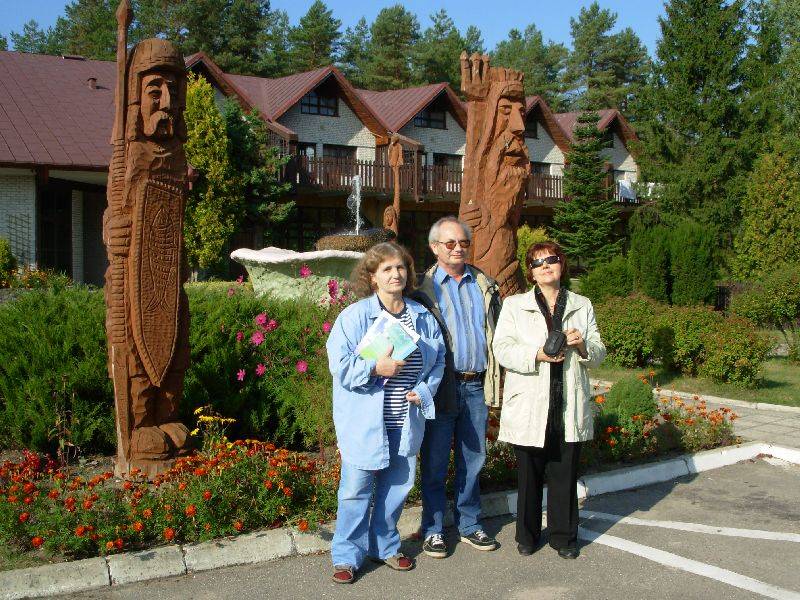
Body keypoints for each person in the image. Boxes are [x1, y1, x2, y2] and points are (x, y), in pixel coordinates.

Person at [326, 242, 446, 584]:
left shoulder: (422, 316)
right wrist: (376, 368)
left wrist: (425, 391)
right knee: (356, 490)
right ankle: (347, 556)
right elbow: (341, 367)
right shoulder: (354, 317)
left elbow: (438, 360)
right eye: (387, 269)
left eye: (401, 267)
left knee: (397, 487)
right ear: (372, 277)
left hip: (406, 418)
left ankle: (385, 546)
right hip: (365, 422)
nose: (396, 274)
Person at [492, 242, 606, 558]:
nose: (545, 266)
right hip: (530, 403)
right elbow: (502, 349)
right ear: (530, 272)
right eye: (537, 262)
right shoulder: (515, 305)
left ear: (561, 264)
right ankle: (527, 536)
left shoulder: (582, 304)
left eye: (551, 260)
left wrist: (583, 346)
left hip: (567, 403)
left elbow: (599, 353)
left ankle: (564, 538)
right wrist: (537, 354)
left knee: (564, 476)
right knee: (529, 477)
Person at [411, 216, 502, 558]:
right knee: (435, 461)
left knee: (474, 459)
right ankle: (433, 529)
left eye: (464, 242)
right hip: (440, 387)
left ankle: (470, 523)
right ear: (434, 247)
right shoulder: (422, 290)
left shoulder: (484, 285)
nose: (458, 249)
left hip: (475, 384)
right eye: (450, 243)